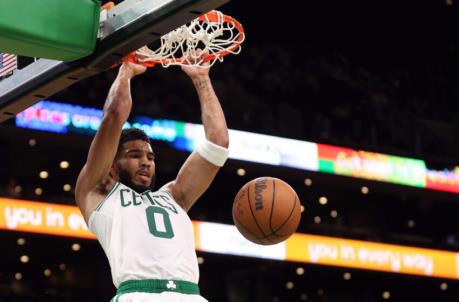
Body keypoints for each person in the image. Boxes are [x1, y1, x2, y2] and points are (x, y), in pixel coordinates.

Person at [75, 52, 229, 302]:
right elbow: (114, 114)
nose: (146, 161)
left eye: (150, 157)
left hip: (190, 295)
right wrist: (127, 71)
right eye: (135, 155)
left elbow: (217, 143)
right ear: (112, 165)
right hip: (139, 294)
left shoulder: (175, 196)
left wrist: (202, 80)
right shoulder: (98, 191)